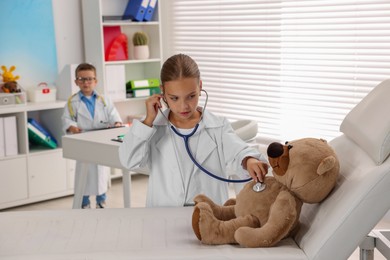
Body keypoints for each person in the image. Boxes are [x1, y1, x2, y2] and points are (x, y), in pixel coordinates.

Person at [119, 54, 268, 207]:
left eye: (191, 96)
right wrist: (148, 121)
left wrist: (249, 160)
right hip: (164, 213)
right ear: (162, 92)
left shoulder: (218, 126)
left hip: (210, 214)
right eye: (174, 98)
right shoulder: (153, 127)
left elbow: (237, 151)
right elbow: (129, 161)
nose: (184, 106)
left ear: (200, 86)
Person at [62, 63, 122, 209]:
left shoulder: (104, 100)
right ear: (76, 82)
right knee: (84, 173)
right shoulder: (72, 102)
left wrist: (117, 123)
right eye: (81, 79)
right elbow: (66, 119)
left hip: (101, 139)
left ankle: (101, 201)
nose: (86, 83)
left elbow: (113, 114)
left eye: (89, 79)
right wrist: (70, 126)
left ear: (96, 81)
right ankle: (84, 202)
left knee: (101, 172)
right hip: (84, 140)